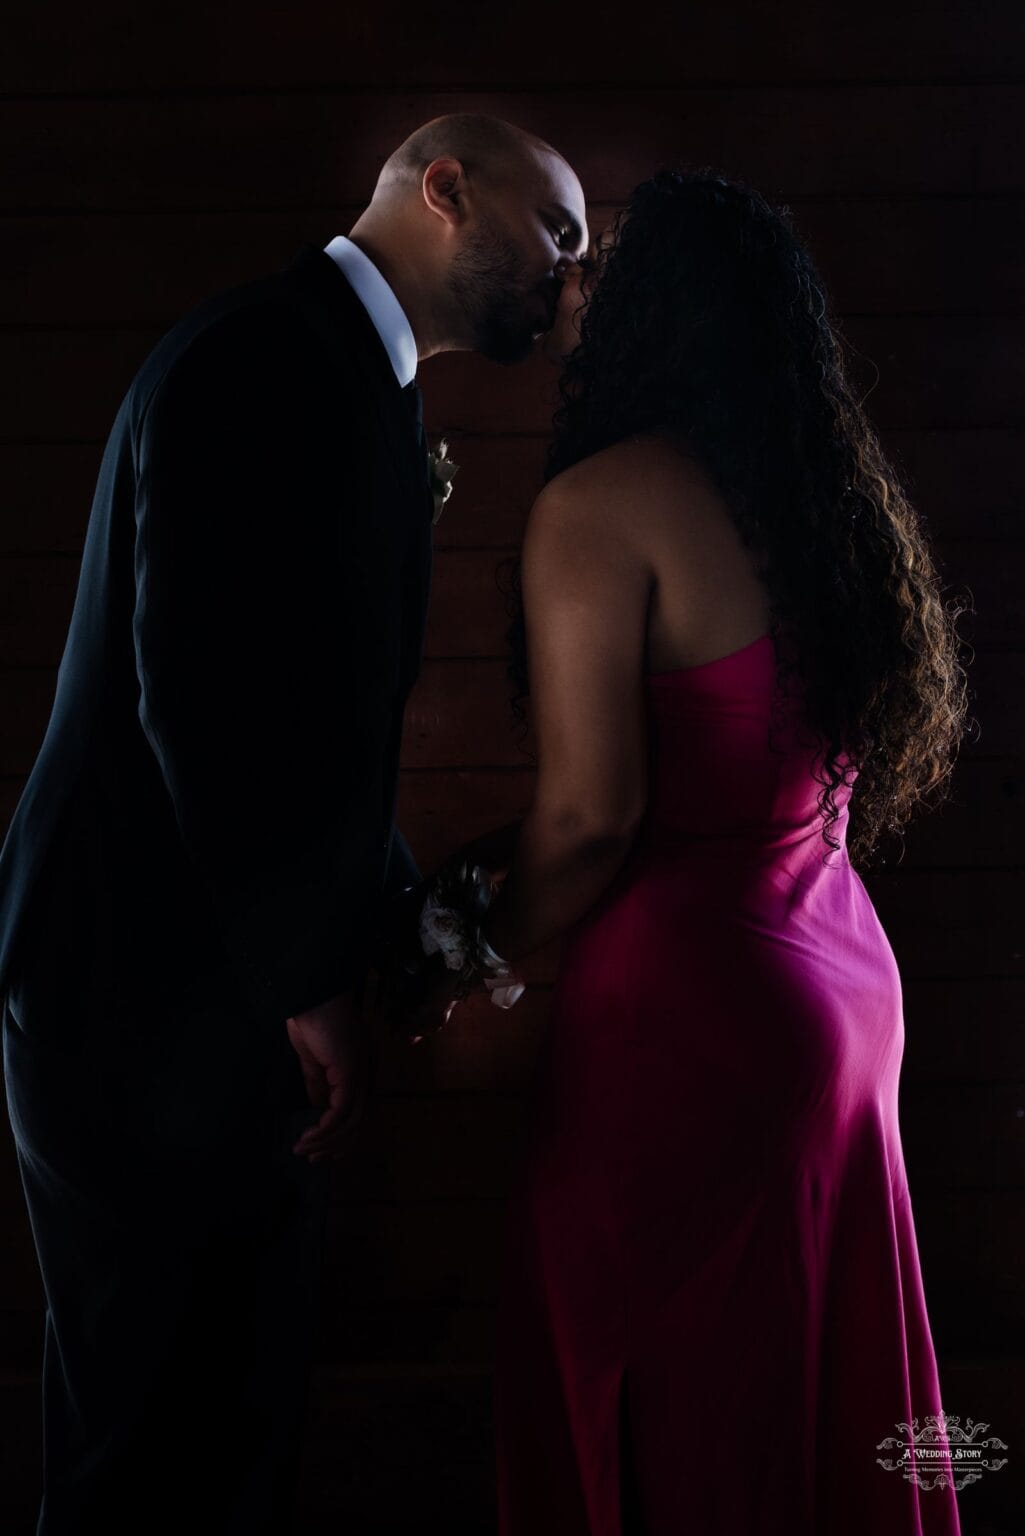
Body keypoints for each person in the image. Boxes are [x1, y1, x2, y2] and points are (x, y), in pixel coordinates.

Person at [0, 113, 588, 1533]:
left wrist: (392, 922)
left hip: (203, 998)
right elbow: (201, 697)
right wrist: (305, 979)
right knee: (146, 1447)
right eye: (553, 231)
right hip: (135, 996)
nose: (569, 275)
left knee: (228, 1430)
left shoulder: (346, 374)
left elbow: (309, 720)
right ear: (444, 189)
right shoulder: (266, 357)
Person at [429, 168, 969, 1532]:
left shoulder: (604, 505)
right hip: (843, 992)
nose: (570, 287)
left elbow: (590, 818)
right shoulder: (824, 501)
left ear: (652, 312)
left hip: (693, 1016)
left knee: (662, 1406)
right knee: (799, 1401)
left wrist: (454, 945)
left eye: (599, 269)